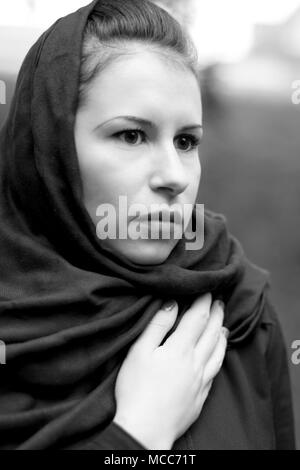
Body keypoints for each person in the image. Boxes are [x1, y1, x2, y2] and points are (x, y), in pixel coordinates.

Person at [0, 0, 295, 450]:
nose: (175, 176)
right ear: (49, 151)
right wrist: (138, 433)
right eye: (131, 135)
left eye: (186, 140)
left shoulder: (240, 308)